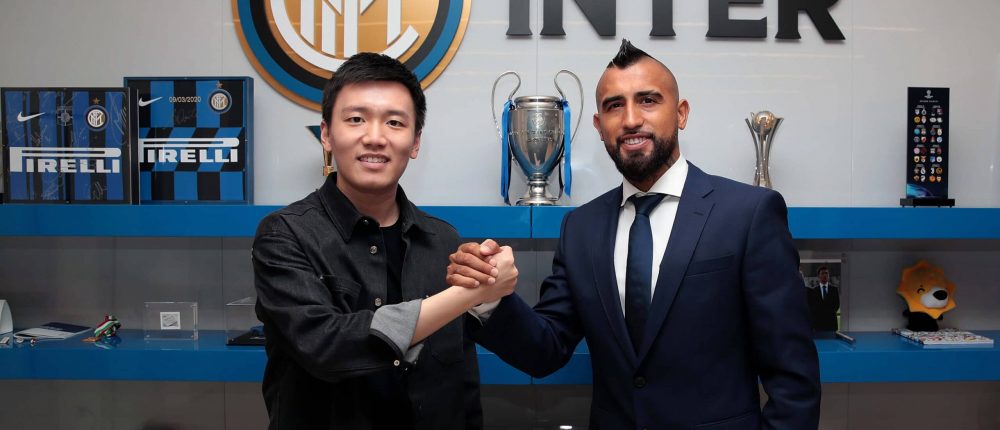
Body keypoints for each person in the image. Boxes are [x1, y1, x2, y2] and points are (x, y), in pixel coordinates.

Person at [449, 40, 821, 429]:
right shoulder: (581, 229)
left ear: (681, 113)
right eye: (614, 105)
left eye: (647, 100)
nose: (630, 119)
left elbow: (793, 378)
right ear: (599, 126)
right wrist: (489, 298)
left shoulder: (749, 213)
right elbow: (547, 348)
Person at [252, 52, 516, 430]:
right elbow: (325, 347)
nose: (375, 138)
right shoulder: (285, 234)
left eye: (394, 122)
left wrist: (487, 291)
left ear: (415, 141)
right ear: (326, 134)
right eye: (355, 119)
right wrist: (468, 295)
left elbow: (461, 384)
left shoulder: (443, 239)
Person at [806, 266, 840, 331]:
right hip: (818, 325)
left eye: (826, 273)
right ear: (818, 276)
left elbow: (836, 305)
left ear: (829, 276)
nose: (825, 275)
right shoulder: (813, 291)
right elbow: (811, 307)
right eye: (822, 273)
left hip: (831, 324)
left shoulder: (834, 290)